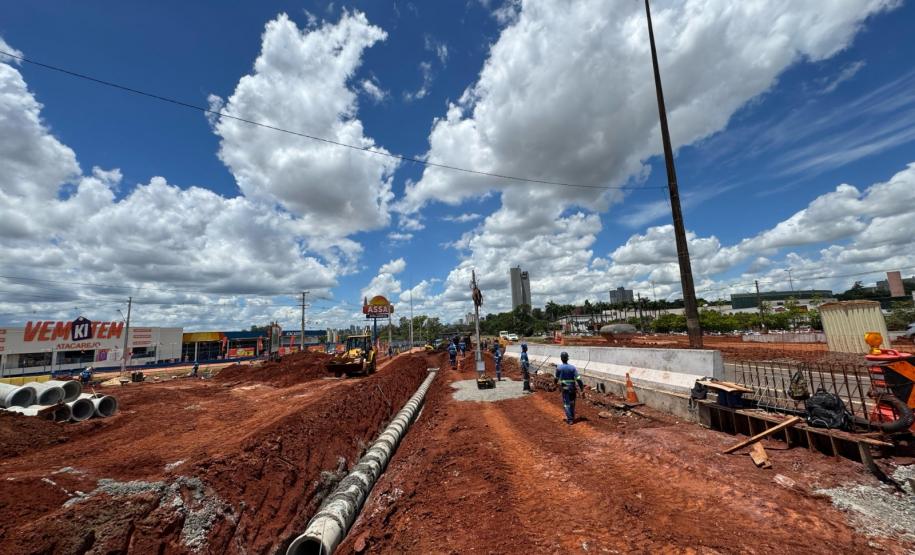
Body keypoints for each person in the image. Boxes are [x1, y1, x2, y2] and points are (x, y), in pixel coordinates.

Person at [554, 352, 584, 425]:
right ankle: (572, 417)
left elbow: (556, 379)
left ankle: (570, 419)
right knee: (572, 402)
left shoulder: (559, 368)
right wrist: (582, 388)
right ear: (567, 358)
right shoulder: (572, 368)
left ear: (561, 358)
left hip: (565, 388)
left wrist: (555, 384)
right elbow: (578, 379)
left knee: (566, 404)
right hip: (572, 388)